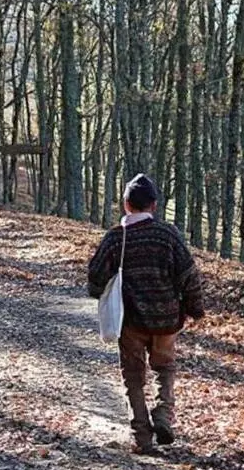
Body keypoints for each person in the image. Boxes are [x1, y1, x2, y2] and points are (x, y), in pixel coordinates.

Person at [87, 173, 204, 455]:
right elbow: (189, 275)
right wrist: (194, 307)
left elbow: (95, 279)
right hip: (167, 320)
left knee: (133, 376)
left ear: (126, 204)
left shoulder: (117, 238)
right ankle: (163, 415)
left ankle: (142, 436)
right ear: (153, 206)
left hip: (131, 321)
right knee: (165, 368)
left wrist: (100, 290)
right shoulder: (168, 235)